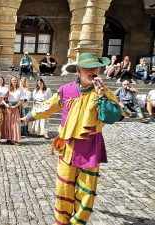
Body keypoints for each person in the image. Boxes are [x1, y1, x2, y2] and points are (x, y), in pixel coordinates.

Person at [21, 52, 123, 225]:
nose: (93, 71)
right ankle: (61, 222)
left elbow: (112, 117)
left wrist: (101, 97)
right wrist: (29, 116)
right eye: (88, 68)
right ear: (78, 70)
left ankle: (76, 223)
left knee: (86, 191)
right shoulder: (66, 90)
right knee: (63, 188)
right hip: (67, 146)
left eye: (95, 68)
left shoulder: (104, 92)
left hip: (90, 147)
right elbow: (49, 105)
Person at [1, 76, 24, 146]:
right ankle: (8, 138)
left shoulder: (20, 89)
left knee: (15, 123)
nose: (14, 82)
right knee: (8, 123)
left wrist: (15, 106)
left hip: (15, 107)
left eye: (15, 80)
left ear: (17, 81)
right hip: (8, 107)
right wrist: (6, 105)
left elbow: (21, 99)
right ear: (10, 81)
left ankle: (13, 139)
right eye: (12, 80)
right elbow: (2, 98)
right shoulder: (7, 88)